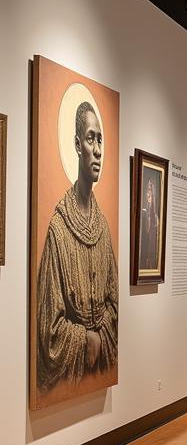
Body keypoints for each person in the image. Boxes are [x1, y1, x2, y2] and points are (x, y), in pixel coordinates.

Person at [36, 100, 118, 395]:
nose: (97, 150)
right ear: (76, 143)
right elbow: (50, 330)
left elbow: (114, 305)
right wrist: (86, 339)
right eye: (90, 138)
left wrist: (100, 335)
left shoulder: (103, 228)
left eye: (100, 140)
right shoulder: (59, 229)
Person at [139, 175, 160, 271]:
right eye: (147, 196)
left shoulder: (155, 215)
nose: (149, 198)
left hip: (151, 244)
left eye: (150, 196)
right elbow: (145, 229)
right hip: (145, 244)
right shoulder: (144, 212)